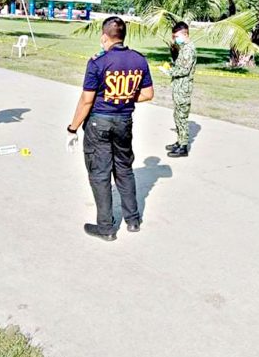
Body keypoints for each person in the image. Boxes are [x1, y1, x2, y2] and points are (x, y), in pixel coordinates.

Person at [66, 16, 154, 241]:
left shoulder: (98, 62)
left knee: (100, 173)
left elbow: (86, 100)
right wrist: (123, 97)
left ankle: (106, 227)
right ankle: (133, 220)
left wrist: (72, 127)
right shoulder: (139, 60)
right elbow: (147, 94)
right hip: (124, 121)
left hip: (99, 123)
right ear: (123, 36)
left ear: (104, 37)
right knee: (124, 169)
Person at [160, 21, 197, 158]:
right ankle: (179, 141)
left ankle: (183, 146)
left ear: (184, 34)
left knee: (182, 116)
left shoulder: (189, 49)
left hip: (183, 88)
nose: (175, 39)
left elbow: (184, 70)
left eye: (176, 36)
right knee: (177, 116)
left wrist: (168, 71)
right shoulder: (184, 48)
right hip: (179, 87)